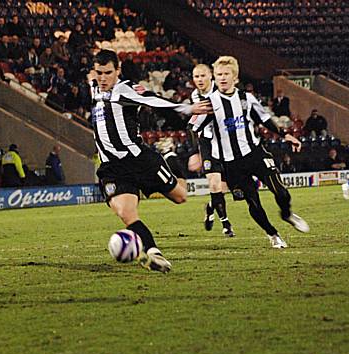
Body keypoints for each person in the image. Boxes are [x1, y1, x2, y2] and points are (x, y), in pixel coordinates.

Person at [90, 49, 212, 272]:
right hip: (112, 168)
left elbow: (152, 100)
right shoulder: (94, 86)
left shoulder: (125, 89)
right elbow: (91, 77)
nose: (103, 78)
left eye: (108, 72)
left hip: (140, 161)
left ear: (118, 70)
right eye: (99, 73)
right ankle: (153, 253)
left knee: (180, 197)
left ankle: (171, 157)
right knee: (125, 213)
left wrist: (187, 107)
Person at [192, 56, 309, 249]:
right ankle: (273, 234)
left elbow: (264, 119)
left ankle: (286, 213)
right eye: (218, 74)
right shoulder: (209, 102)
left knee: (281, 192)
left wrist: (285, 135)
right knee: (253, 203)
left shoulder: (246, 98)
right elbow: (195, 128)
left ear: (235, 77)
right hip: (232, 164)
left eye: (226, 74)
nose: (222, 78)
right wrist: (197, 152)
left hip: (255, 154)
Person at [188, 64, 235, 237]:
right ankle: (226, 224)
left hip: (226, 143)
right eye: (196, 77)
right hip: (207, 143)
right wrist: (195, 151)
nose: (199, 80)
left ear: (211, 76)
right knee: (214, 184)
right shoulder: (195, 96)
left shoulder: (222, 91)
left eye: (202, 76)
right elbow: (195, 124)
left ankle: (210, 207)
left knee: (224, 188)